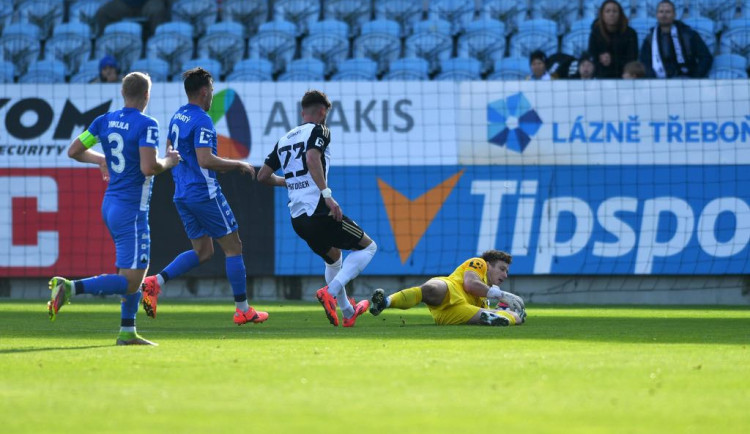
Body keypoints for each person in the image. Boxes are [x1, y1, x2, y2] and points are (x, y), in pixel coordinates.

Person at [47, 72, 181, 346]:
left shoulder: (104, 120)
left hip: (111, 205)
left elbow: (73, 150)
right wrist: (169, 161)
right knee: (133, 282)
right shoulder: (147, 124)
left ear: (122, 94)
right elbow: (148, 167)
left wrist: (101, 160)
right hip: (131, 211)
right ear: (146, 95)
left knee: (129, 273)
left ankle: (127, 331)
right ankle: (71, 287)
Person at [140, 67, 268, 326]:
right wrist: (238, 164)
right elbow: (206, 159)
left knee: (203, 251)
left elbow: (169, 151)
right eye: (211, 91)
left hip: (182, 194)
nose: (212, 96)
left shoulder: (178, 116)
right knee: (234, 247)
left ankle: (155, 282)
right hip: (204, 193)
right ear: (204, 91)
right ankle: (243, 309)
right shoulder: (202, 120)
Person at [257, 90, 377, 328]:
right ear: (323, 112)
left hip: (298, 219)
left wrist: (289, 181)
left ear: (303, 112)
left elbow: (263, 176)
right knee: (369, 247)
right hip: (319, 210)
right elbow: (312, 158)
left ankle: (347, 312)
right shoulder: (320, 130)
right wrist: (327, 195)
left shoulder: (284, 140)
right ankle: (330, 292)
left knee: (334, 259)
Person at [369, 250, 526, 326]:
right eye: (502, 269)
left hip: (455, 312)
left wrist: (506, 310)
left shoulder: (486, 297)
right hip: (451, 289)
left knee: (509, 316)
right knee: (432, 288)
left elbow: (482, 297)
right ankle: (385, 302)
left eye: (507, 271)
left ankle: (505, 318)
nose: (505, 275)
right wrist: (500, 294)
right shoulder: (479, 263)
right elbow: (470, 284)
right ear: (489, 265)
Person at [639, 0, 713, 78]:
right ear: (657, 15)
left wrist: (695, 77)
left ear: (674, 15)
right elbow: (645, 62)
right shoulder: (650, 39)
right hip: (659, 81)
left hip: (686, 78)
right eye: (661, 12)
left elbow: (705, 57)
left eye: (668, 12)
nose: (664, 15)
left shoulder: (689, 35)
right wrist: (653, 78)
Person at [587, 0, 639, 79]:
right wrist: (600, 59)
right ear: (602, 15)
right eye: (608, 11)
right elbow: (591, 55)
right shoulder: (595, 32)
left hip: (623, 76)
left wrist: (612, 60)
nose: (611, 14)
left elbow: (632, 59)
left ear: (620, 14)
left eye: (615, 11)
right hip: (600, 75)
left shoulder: (630, 33)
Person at [95, 0, 172, 38]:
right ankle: (104, 45)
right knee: (103, 13)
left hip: (148, 2)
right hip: (126, 3)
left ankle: (157, 43)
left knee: (157, 10)